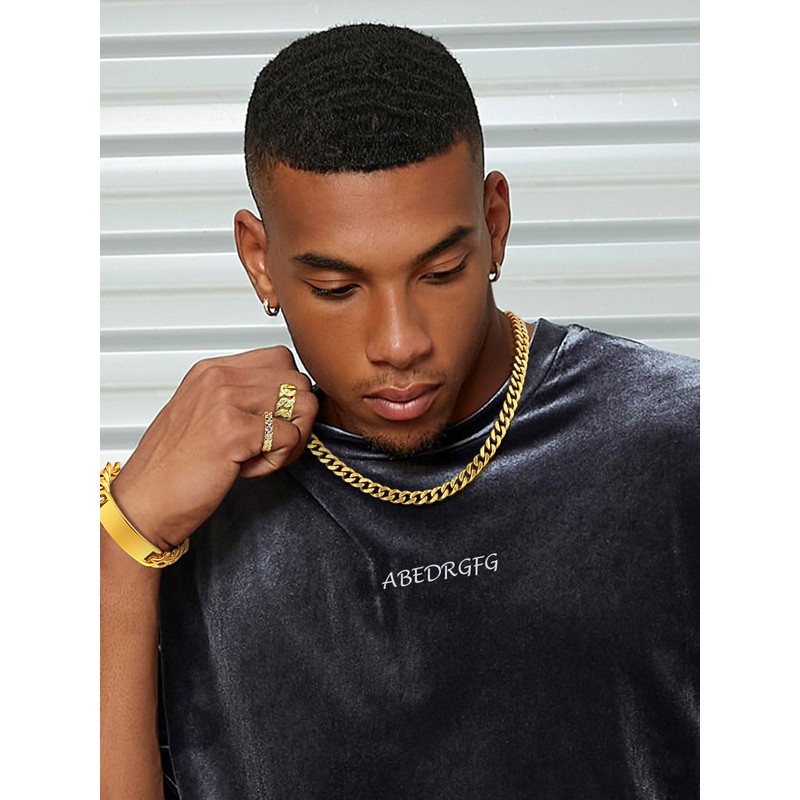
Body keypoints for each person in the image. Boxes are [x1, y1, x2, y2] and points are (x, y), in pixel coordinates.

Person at [100, 23, 699, 800]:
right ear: (260, 262)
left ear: (494, 224)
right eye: (337, 289)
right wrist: (123, 540)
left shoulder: (686, 442)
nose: (399, 342)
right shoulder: (182, 518)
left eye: (440, 271)